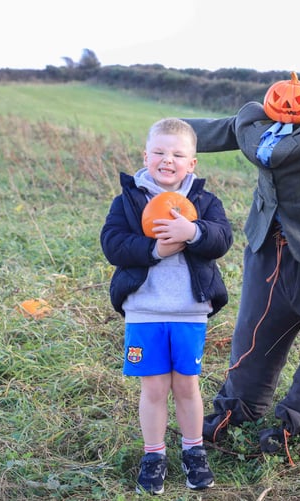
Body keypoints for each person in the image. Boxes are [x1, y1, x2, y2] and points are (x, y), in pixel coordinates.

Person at [182, 73, 300, 455]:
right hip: (267, 248)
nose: (289, 109)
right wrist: (169, 138)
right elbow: (211, 131)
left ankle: (297, 420)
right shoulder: (257, 129)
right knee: (256, 331)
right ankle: (236, 410)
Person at [100, 118, 233, 495]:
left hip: (189, 311)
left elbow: (222, 238)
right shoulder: (128, 200)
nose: (167, 160)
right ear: (146, 156)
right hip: (145, 310)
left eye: (177, 154)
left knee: (187, 386)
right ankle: (154, 455)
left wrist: (193, 232)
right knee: (154, 388)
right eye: (159, 152)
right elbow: (112, 244)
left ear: (192, 163)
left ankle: (193, 451)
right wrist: (154, 250)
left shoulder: (204, 202)